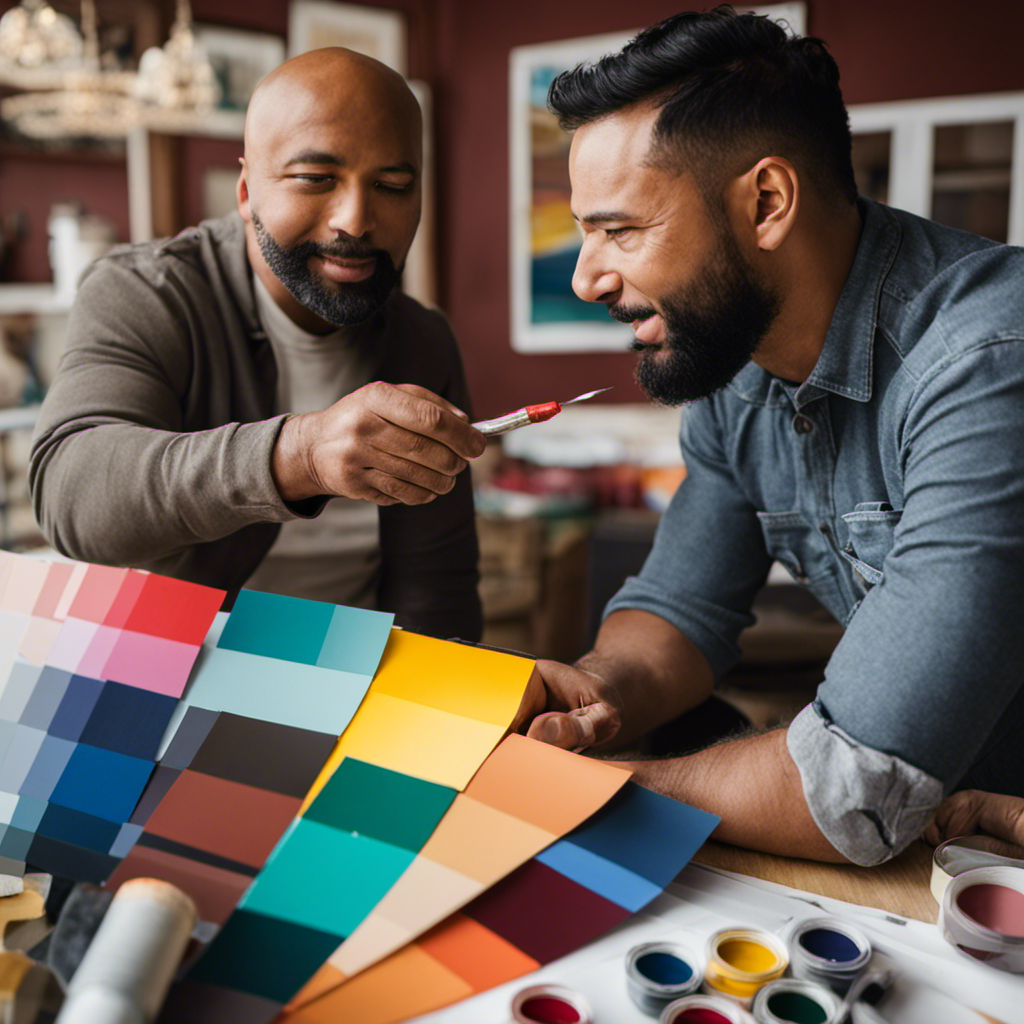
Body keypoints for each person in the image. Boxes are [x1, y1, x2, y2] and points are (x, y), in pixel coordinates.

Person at [522, 8, 1024, 866]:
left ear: (766, 202)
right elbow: (682, 607)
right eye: (583, 230)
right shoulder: (739, 363)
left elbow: (852, 787)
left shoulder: (987, 361)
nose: (586, 276)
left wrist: (587, 788)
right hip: (944, 847)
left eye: (620, 229)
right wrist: (601, 693)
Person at [29, 48, 486, 640]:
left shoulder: (422, 340)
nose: (356, 219)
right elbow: (72, 493)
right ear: (246, 191)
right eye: (315, 180)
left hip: (362, 681)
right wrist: (298, 455)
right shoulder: (147, 292)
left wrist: (445, 722)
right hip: (174, 675)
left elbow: (438, 586)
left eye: (393, 185)